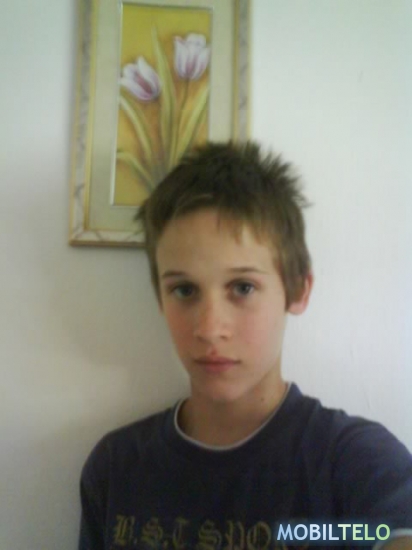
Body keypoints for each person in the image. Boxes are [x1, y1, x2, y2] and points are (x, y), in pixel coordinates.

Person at [78, 141, 412, 550]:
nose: (210, 329)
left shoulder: (353, 462)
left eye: (243, 287)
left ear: (297, 290)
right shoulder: (115, 468)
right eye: (184, 290)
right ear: (160, 298)